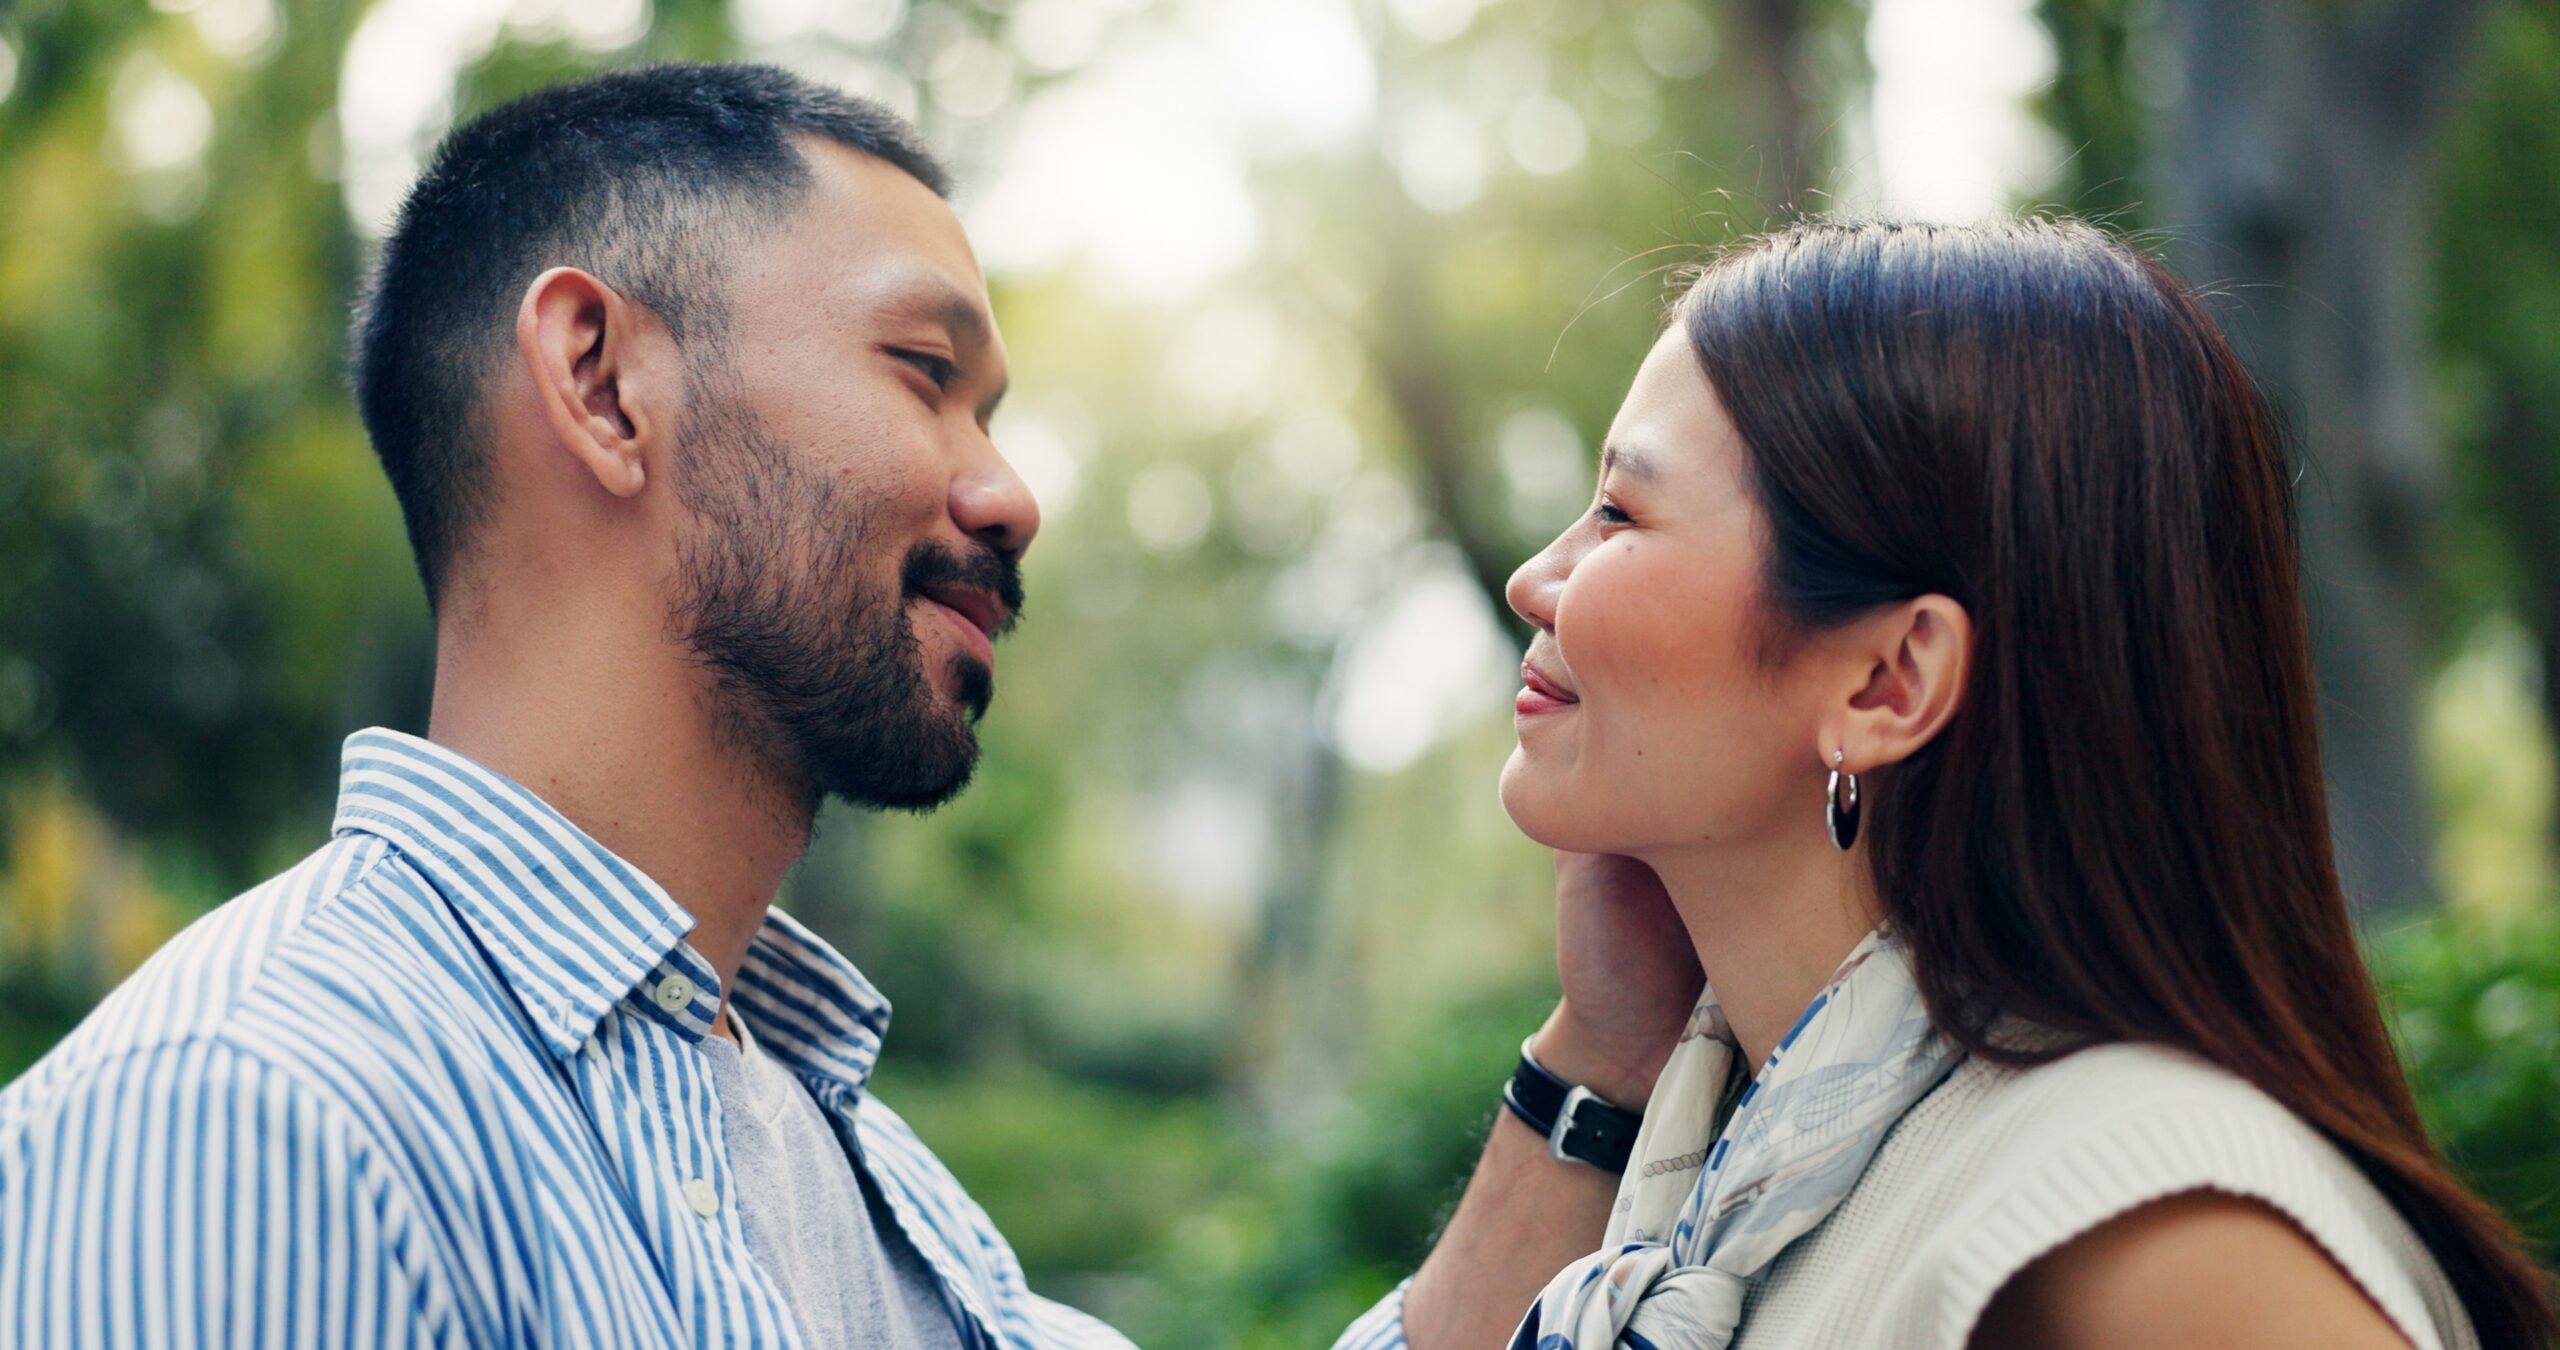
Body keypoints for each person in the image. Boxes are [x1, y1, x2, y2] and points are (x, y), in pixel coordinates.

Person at [0, 62, 1677, 1349]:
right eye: (922, 373)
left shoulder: (832, 1156)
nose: (1009, 493)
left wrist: (1604, 1046)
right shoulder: (256, 1115)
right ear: (600, 381)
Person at [1373, 218, 2559, 1348]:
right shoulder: (1744, 1175)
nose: (1538, 578)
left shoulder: (2148, 1225)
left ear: (1888, 681)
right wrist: (1601, 1053)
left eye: (1621, 511)